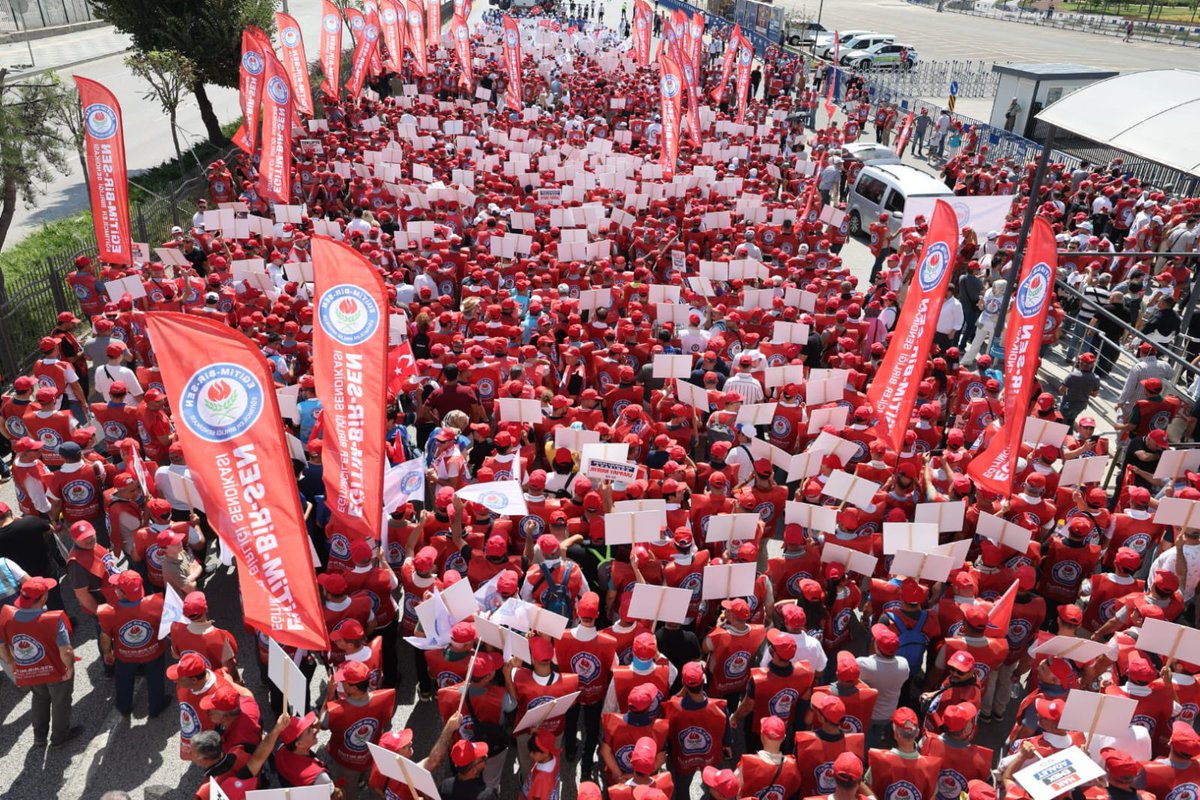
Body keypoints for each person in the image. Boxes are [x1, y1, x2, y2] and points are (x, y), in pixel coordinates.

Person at [0, 577, 79, 747]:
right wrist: (70, 668)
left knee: (39, 697)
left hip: (30, 670)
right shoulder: (52, 620)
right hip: (55, 670)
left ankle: (39, 737)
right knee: (60, 702)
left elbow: (2, 646)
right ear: (43, 598)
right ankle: (59, 737)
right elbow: (66, 651)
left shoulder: (7, 616)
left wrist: (11, 663)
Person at [97, 570, 169, 717]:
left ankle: (124, 707)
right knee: (155, 679)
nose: (115, 589)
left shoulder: (108, 612)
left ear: (121, 593)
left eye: (117, 587)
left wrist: (107, 653)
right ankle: (156, 706)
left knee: (123, 680)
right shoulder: (157, 602)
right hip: (153, 651)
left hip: (125, 655)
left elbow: (104, 636)